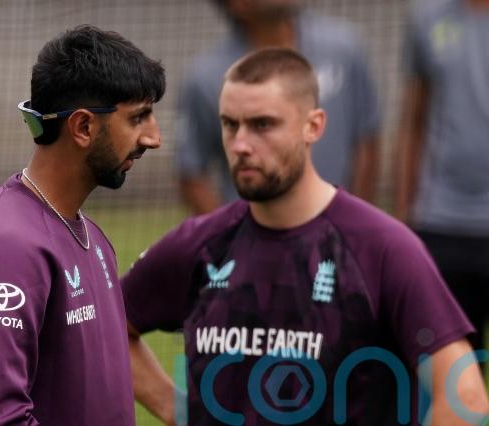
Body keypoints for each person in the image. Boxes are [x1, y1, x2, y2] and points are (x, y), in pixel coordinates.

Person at [123, 48, 489, 425]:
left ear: (313, 126)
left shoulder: (382, 248)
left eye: (262, 124)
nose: (241, 144)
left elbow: (465, 397)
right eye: (231, 125)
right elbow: (111, 324)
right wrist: (180, 411)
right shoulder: (197, 245)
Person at [0, 25, 165, 425]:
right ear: (83, 127)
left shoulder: (93, 239)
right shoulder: (7, 247)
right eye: (138, 118)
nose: (154, 138)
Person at [177, 0, 381, 214]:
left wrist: (353, 220)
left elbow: (366, 138)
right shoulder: (205, 77)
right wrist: (234, 231)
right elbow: (191, 171)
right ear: (238, 4)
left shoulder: (343, 48)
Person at [395, 0, 489, 352]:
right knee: (450, 367)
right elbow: (412, 121)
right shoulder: (427, 16)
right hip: (439, 221)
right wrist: (404, 216)